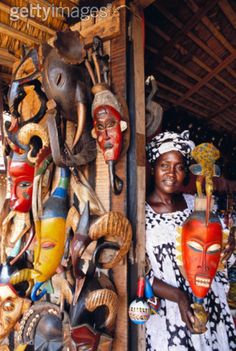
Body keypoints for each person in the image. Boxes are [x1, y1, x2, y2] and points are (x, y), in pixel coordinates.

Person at [145, 130, 236, 351]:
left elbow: (220, 257)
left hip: (211, 307)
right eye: (164, 165)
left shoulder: (199, 205)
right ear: (153, 168)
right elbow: (140, 274)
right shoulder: (142, 215)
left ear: (186, 172)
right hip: (172, 316)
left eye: (179, 166)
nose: (171, 173)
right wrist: (180, 297)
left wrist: (230, 246)